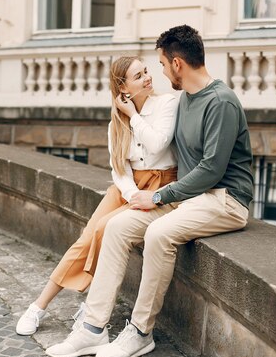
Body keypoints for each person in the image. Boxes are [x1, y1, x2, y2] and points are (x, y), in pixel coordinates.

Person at [45, 24, 254, 357]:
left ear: (177, 64)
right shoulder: (184, 99)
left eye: (160, 64)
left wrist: (158, 197)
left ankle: (141, 332)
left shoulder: (221, 102)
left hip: (225, 199)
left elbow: (212, 171)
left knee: (158, 233)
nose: (158, 71)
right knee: (115, 227)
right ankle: (93, 329)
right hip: (189, 198)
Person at [16, 56, 180, 336]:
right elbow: (120, 168)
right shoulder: (115, 123)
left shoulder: (168, 104)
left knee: (106, 229)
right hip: (128, 189)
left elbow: (157, 142)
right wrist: (130, 194)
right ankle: (38, 306)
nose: (148, 78)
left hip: (159, 187)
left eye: (146, 71)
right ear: (123, 87)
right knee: (86, 238)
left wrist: (134, 116)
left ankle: (92, 304)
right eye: (138, 76)